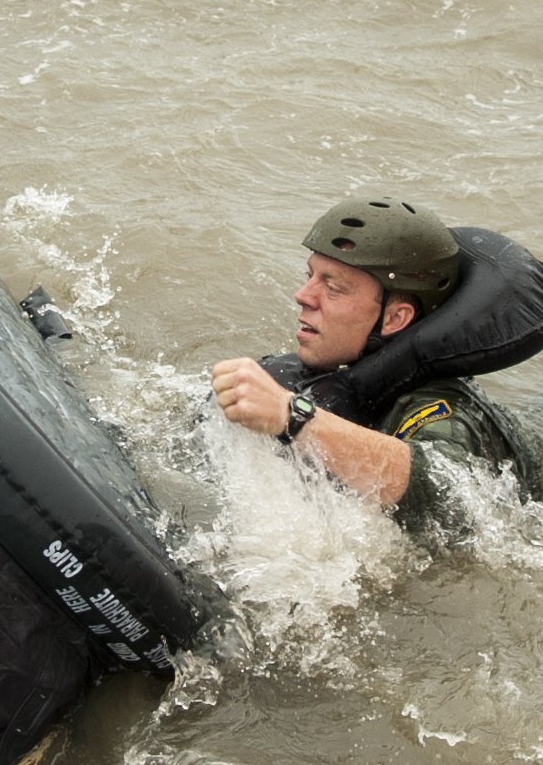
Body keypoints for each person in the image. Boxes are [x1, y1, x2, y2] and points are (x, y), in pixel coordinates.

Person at [209, 195, 526, 528]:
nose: (303, 295)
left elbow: (445, 491)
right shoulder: (329, 372)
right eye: (310, 275)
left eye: (332, 287)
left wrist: (292, 417)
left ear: (394, 318)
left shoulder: (442, 409)